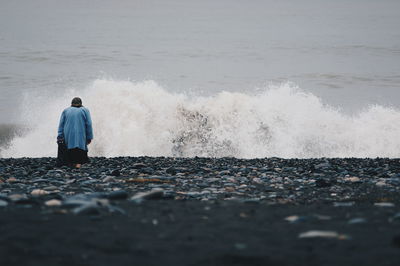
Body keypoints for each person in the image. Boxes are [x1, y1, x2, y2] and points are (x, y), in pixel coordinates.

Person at [57, 97, 93, 168]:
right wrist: (89, 137)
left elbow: (61, 125)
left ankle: (71, 163)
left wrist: (60, 136)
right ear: (81, 104)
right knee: (80, 147)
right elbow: (88, 124)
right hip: (80, 133)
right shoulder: (85, 110)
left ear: (71, 104)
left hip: (68, 134)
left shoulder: (66, 110)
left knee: (70, 147)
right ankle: (78, 164)